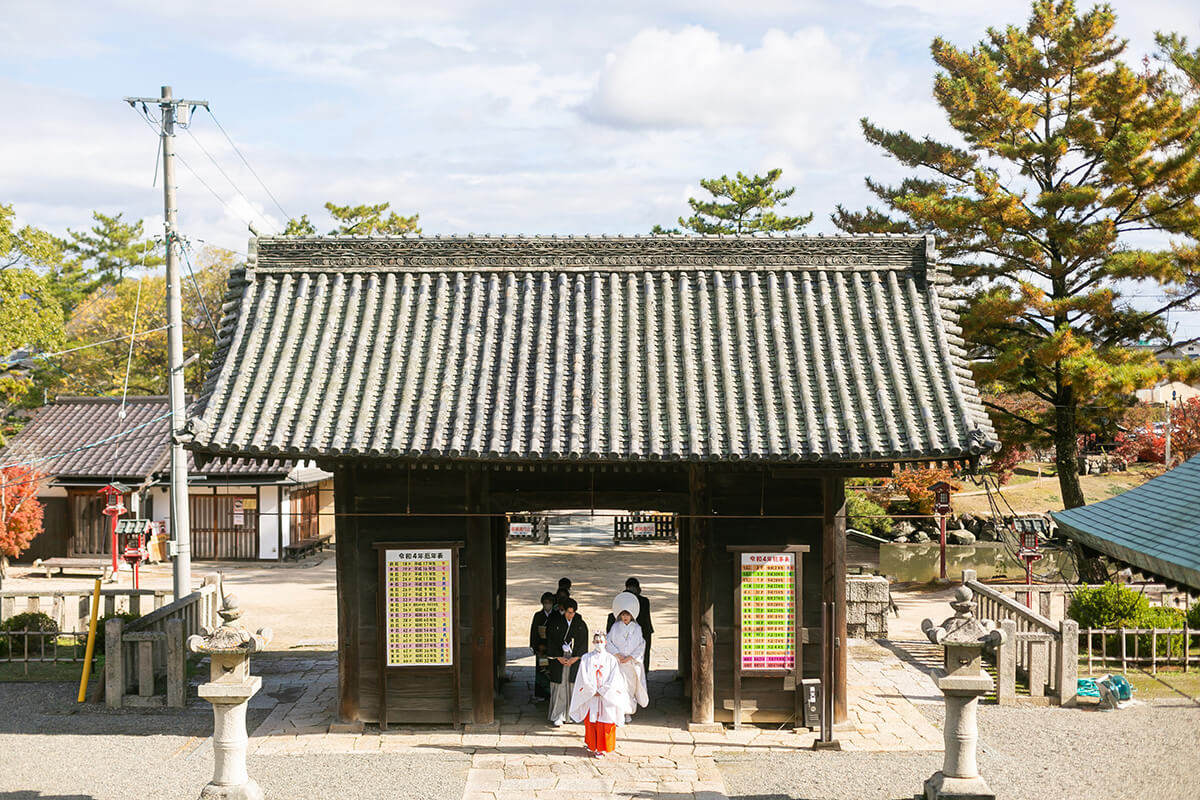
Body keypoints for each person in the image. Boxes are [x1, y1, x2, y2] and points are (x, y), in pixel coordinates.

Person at [570, 632, 630, 758]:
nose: (599, 644)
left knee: (606, 721)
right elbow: (583, 677)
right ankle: (593, 745)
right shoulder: (586, 658)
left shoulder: (611, 659)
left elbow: (614, 678)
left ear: (605, 642)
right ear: (593, 643)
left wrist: (602, 690)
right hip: (591, 695)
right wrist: (592, 690)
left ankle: (603, 747)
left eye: (601, 641)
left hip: (606, 696)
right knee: (592, 721)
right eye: (596, 641)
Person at [606, 591, 649, 723]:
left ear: (631, 616)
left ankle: (628, 712)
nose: (625, 617)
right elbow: (608, 642)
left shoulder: (637, 628)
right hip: (618, 663)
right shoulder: (615, 627)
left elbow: (641, 645)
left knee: (630, 688)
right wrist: (618, 655)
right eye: (623, 614)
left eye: (627, 615)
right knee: (618, 687)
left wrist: (630, 657)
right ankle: (619, 711)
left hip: (630, 664)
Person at [545, 598, 588, 726]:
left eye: (572, 612)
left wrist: (575, 658)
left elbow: (583, 643)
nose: (570, 615)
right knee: (559, 686)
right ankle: (558, 715)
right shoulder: (555, 622)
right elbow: (551, 640)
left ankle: (572, 714)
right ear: (563, 611)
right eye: (568, 612)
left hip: (574, 658)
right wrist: (558, 657)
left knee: (572, 685)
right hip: (559, 658)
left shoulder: (580, 623)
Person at [606, 577, 653, 672]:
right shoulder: (642, 601)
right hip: (633, 629)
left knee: (641, 654)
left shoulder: (640, 601)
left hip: (641, 630)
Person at [529, 591, 557, 702]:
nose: (547, 605)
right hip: (541, 647)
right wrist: (535, 646)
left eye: (549, 602)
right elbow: (533, 631)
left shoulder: (555, 616)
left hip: (552, 648)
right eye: (545, 602)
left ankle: (552, 693)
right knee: (542, 669)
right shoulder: (538, 615)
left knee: (552, 670)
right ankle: (542, 693)